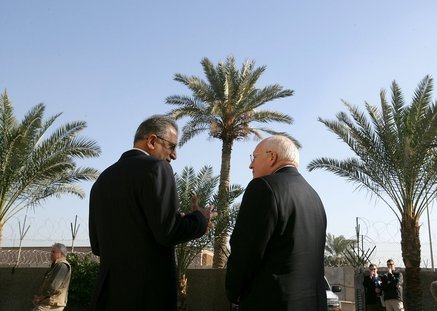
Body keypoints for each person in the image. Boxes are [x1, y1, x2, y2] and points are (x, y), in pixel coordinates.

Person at [88, 114, 216, 311]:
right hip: (147, 296)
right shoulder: (157, 168)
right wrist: (200, 219)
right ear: (152, 141)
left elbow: (97, 246)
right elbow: (168, 232)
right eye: (172, 146)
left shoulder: (102, 180)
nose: (174, 155)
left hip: (108, 296)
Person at [225, 135, 328, 311]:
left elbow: (246, 251)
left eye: (254, 158)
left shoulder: (263, 187)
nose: (250, 165)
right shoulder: (314, 196)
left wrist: (233, 292)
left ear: (271, 157)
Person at [32, 243, 72, 311]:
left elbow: (53, 286)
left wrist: (40, 298)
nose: (51, 254)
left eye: (53, 252)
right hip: (49, 303)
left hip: (52, 304)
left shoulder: (62, 265)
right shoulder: (56, 265)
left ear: (60, 253)